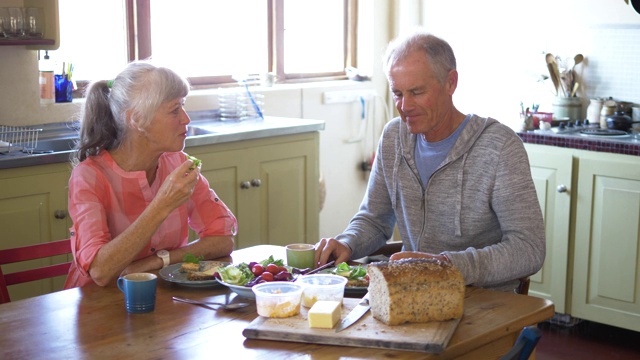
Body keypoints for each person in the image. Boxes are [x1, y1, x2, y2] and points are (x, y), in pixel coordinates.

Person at [314, 29, 545, 292]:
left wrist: (447, 266)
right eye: (398, 93)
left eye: (417, 92)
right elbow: (374, 220)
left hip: (482, 301)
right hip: (411, 294)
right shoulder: (393, 137)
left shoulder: (499, 147)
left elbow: (529, 249)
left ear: (451, 83)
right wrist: (347, 243)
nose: (405, 106)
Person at [64, 61, 237, 288]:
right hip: (98, 304)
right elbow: (100, 271)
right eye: (175, 110)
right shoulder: (89, 177)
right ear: (136, 119)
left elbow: (223, 239)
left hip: (163, 296)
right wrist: (162, 205)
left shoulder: (179, 164)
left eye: (183, 106)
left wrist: (158, 261)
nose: (186, 119)